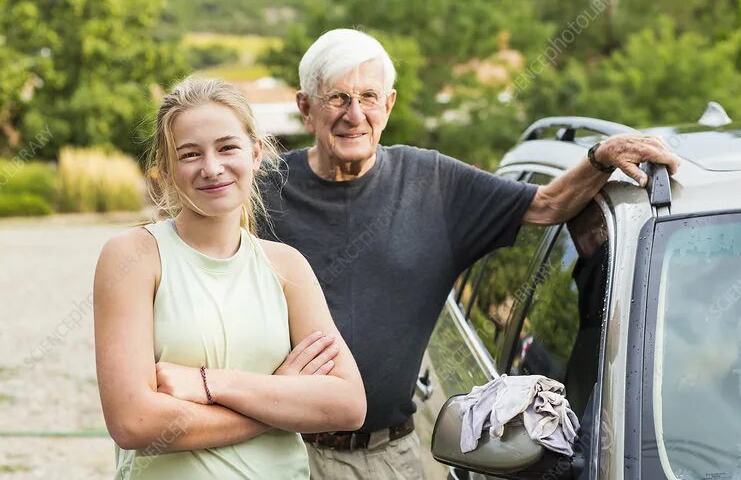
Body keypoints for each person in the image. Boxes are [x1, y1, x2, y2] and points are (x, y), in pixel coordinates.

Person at [257, 29, 681, 479]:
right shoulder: (260, 192)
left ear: (389, 104)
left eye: (368, 96)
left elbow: (547, 205)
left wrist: (600, 158)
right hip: (277, 450)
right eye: (338, 98)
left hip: (386, 458)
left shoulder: (433, 183)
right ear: (306, 107)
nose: (354, 114)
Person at [93, 78, 366, 479]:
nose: (211, 167)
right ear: (166, 171)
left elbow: (348, 404)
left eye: (227, 147)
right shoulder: (134, 257)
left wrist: (209, 384)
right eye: (189, 154)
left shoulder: (287, 267)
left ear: (256, 154)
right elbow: (133, 423)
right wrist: (280, 400)